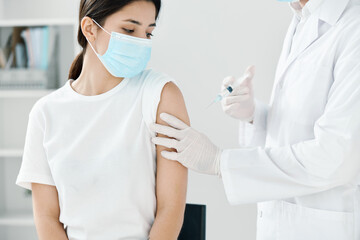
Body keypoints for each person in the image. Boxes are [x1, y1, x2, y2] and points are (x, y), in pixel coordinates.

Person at [151, 0, 360, 239]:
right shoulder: (302, 18)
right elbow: (296, 129)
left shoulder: (353, 28)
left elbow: (338, 156)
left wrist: (221, 162)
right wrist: (254, 116)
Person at [15, 0, 189, 239]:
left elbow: (171, 209)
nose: (140, 41)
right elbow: (46, 216)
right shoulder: (45, 114)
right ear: (90, 29)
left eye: (148, 33)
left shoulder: (160, 95)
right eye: (129, 30)